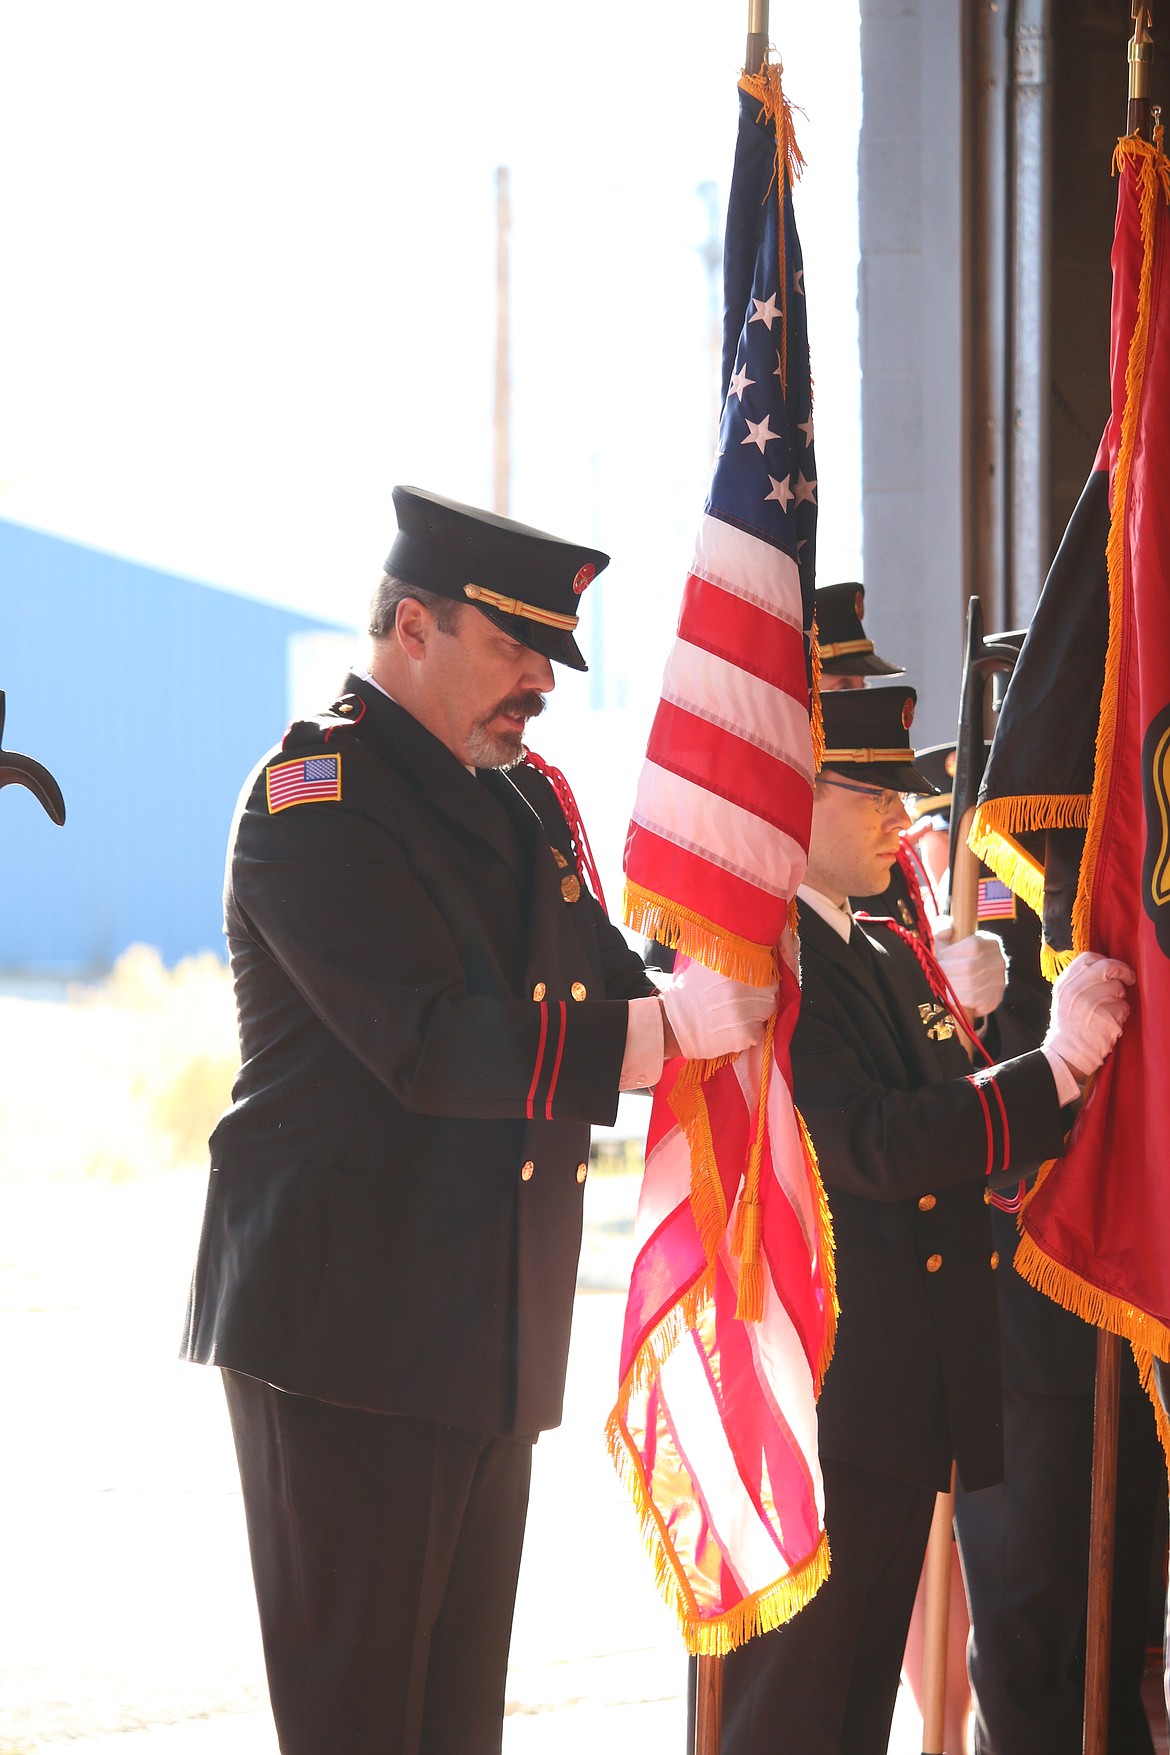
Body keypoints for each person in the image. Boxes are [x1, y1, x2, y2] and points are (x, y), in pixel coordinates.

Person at [180, 486, 775, 1755]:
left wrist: (724, 968)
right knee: (361, 1720)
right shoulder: (316, 797)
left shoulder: (518, 807)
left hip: (476, 1327)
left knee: (454, 1725)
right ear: (412, 627)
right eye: (513, 650)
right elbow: (426, 1043)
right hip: (346, 1332)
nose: (541, 684)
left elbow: (606, 980)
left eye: (548, 657)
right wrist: (665, 1028)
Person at [719, 682, 1134, 1755]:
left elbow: (972, 1132)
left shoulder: (877, 952)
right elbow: (872, 1141)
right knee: (791, 1711)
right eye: (874, 794)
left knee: (852, 1711)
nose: (905, 818)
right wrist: (1055, 1066)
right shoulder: (768, 959)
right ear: (797, 796)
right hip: (817, 1393)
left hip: (897, 1394)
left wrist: (1058, 1073)